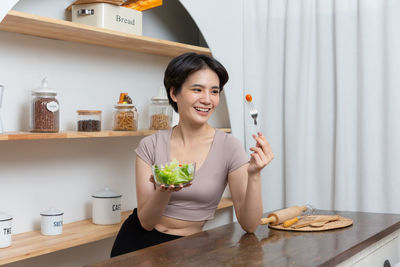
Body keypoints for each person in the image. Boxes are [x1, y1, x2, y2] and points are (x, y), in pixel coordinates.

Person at [110, 52, 274, 257]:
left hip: (189, 247)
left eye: (214, 92)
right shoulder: (150, 145)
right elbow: (146, 222)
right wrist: (165, 190)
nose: (207, 100)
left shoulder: (229, 147)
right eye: (197, 89)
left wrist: (255, 174)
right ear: (174, 93)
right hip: (137, 244)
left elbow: (249, 225)